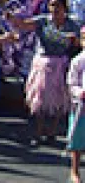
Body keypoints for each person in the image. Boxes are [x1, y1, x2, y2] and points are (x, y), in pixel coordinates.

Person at [12, 0, 80, 146]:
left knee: (59, 98)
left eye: (58, 5)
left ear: (64, 7)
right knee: (39, 99)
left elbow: (78, 43)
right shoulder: (43, 21)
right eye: (52, 5)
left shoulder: (72, 24)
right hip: (43, 63)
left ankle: (52, 131)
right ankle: (38, 131)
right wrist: (11, 17)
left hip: (61, 63)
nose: (54, 9)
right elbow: (23, 24)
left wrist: (73, 40)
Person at [67, 27, 85, 183]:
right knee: (77, 141)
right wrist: (79, 92)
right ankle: (74, 171)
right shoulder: (78, 60)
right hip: (81, 106)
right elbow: (72, 82)